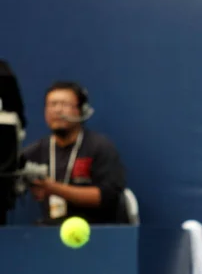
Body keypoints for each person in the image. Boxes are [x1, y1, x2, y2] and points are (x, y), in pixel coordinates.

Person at [21, 81, 126, 225]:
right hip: (50, 230)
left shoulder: (99, 146)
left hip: (96, 229)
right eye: (52, 104)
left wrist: (53, 188)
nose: (58, 110)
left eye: (65, 104)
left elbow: (107, 196)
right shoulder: (36, 150)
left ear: (81, 110)